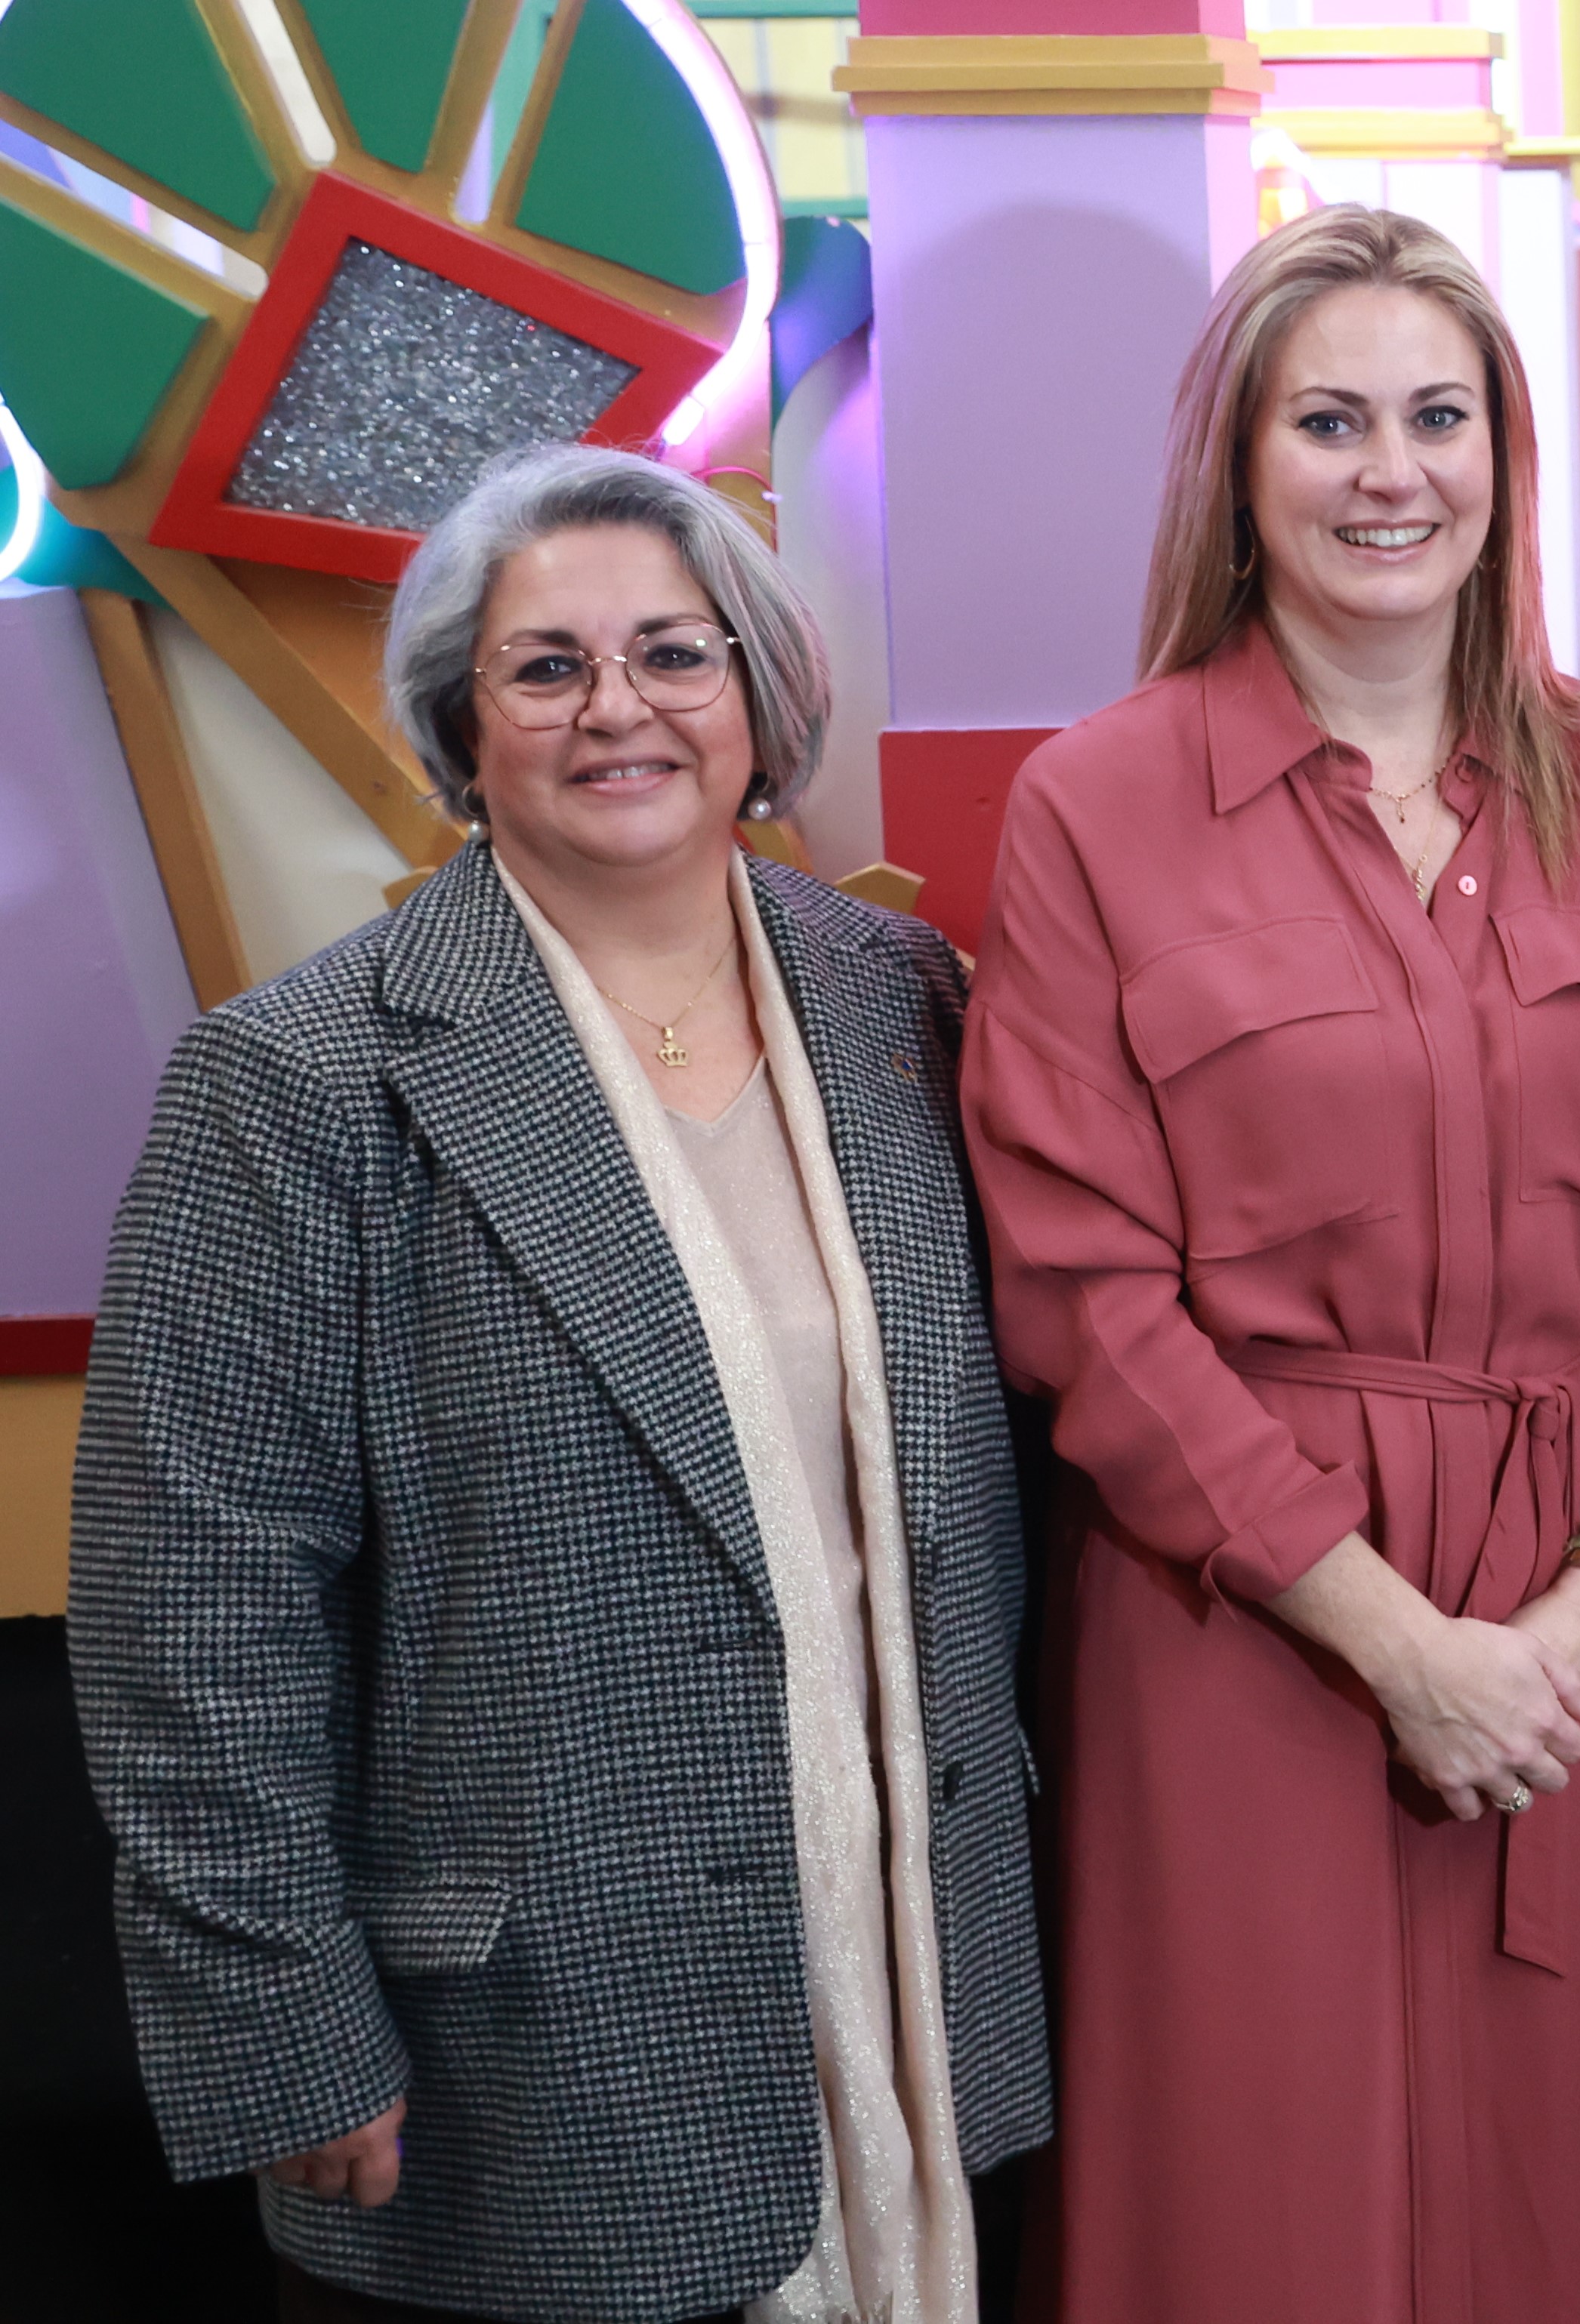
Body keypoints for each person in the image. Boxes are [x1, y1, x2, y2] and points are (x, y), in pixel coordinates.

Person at [70, 441, 1049, 2324]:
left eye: (677, 656)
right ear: (460, 722)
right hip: (519, 2045)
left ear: (761, 703)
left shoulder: (906, 1004)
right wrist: (277, 2021)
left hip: (910, 1976)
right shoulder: (297, 1086)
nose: (621, 709)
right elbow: (187, 1615)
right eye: (547, 667)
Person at [960, 205, 1580, 2321]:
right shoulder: (1094, 807)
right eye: (1330, 421)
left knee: (1573, 2207)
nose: (1392, 470)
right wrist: (1398, 1641)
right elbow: (1086, 1298)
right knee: (1255, 2208)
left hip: (1576, 1645)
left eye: (1438, 415)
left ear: (1503, 454)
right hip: (1241, 1629)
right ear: (1237, 463)